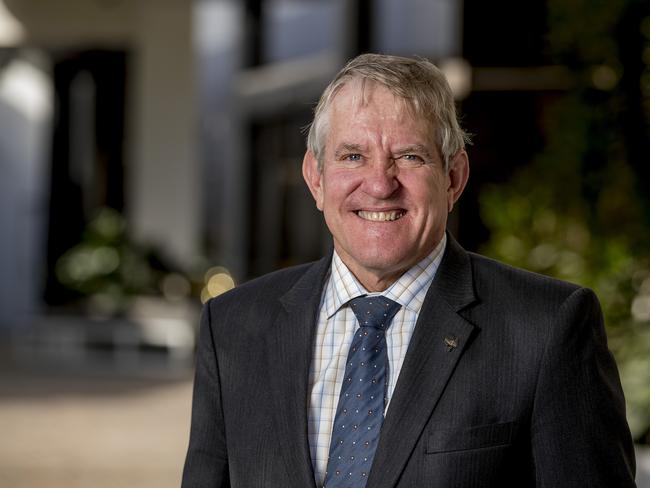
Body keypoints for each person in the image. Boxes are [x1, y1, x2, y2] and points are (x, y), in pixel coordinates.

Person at [181, 53, 636, 488]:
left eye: (410, 157)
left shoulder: (546, 327)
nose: (380, 184)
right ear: (316, 177)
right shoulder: (234, 327)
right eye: (353, 156)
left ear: (454, 178)